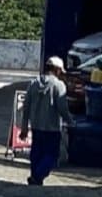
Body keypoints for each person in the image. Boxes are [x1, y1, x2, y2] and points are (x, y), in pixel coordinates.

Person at [20, 56, 75, 186]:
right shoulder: (58, 85)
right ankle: (37, 177)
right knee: (51, 155)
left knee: (37, 154)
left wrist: (24, 127)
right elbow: (62, 108)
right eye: (60, 71)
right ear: (57, 70)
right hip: (52, 128)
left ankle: (35, 176)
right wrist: (71, 121)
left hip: (36, 127)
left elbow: (26, 107)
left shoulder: (33, 83)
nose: (61, 74)